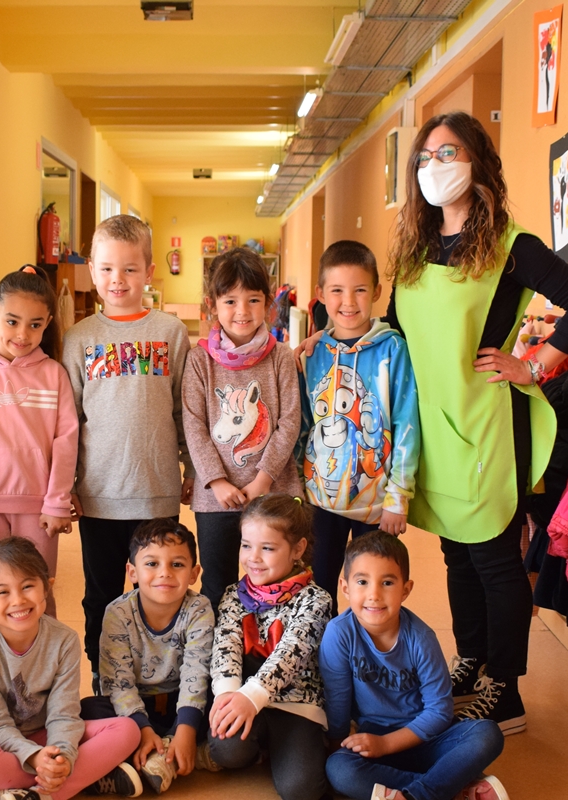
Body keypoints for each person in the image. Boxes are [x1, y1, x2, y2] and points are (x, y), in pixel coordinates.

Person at [383, 111, 568, 732]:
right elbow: (397, 330)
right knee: (456, 553)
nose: (434, 167)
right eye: (425, 157)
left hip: (487, 423)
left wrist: (535, 365)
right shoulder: (415, 248)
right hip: (433, 425)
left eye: (448, 153)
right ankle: (473, 660)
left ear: (477, 160)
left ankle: (505, 691)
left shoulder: (510, 245)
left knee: (495, 558)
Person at [61, 214, 195, 683]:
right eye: (107, 269)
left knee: (159, 593)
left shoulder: (171, 332)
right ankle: (105, 681)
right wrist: (66, 483)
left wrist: (191, 466)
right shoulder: (79, 337)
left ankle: (157, 681)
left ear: (149, 271)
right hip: (99, 494)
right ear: (92, 271)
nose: (117, 279)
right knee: (101, 595)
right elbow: (68, 420)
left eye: (130, 269)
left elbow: (183, 408)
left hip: (156, 492)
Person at [321, 531, 507, 800]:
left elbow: (440, 711)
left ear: (405, 590)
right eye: (362, 582)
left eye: (387, 583)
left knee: (487, 733)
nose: (374, 594)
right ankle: (454, 789)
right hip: (373, 739)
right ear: (345, 587)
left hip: (427, 739)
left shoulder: (421, 638)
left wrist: (387, 744)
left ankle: (416, 795)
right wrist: (338, 749)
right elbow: (337, 700)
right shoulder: (339, 633)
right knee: (339, 769)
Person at [0, 537, 143, 800]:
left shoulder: (63, 640)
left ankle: (37, 793)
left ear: (47, 587)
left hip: (44, 735)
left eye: (27, 586)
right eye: (3, 592)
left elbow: (63, 713)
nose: (18, 600)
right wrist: (34, 757)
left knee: (127, 731)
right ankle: (81, 779)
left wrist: (62, 755)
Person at [0, 266, 78, 629]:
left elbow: (66, 441)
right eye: (12, 322)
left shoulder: (54, 374)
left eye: (35, 325)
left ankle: (41, 664)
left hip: (39, 510)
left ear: (48, 323)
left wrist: (57, 502)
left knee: (38, 595)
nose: (23, 334)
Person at [183, 247, 303, 612]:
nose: (242, 311)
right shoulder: (199, 360)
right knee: (217, 585)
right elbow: (194, 424)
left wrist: (263, 480)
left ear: (268, 303)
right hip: (215, 500)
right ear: (212, 304)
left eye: (253, 300)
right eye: (230, 301)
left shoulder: (281, 356)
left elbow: (289, 422)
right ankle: (222, 648)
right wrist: (217, 481)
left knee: (279, 582)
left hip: (274, 493)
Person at [298, 240, 420, 600]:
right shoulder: (311, 354)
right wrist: (297, 491)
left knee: (372, 593)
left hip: (377, 505)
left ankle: (366, 641)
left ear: (377, 292)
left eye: (360, 290)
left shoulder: (393, 350)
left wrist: (398, 497)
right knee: (318, 590)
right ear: (321, 294)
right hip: (319, 501)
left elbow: (407, 424)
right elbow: (302, 426)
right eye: (337, 290)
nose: (348, 301)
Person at [208, 494, 331, 800]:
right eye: (246, 545)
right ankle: (264, 746)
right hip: (245, 697)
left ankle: (295, 747)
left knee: (300, 790)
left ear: (298, 549)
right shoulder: (235, 594)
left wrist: (252, 697)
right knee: (225, 750)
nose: (253, 558)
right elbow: (225, 644)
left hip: (296, 705)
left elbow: (291, 653)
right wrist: (226, 695)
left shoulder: (316, 600)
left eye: (267, 548)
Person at [81, 519, 216, 794]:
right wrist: (142, 729)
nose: (164, 573)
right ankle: (161, 752)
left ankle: (160, 755)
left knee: (220, 706)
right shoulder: (117, 613)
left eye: (177, 564)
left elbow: (197, 672)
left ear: (194, 573)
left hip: (181, 704)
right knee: (87, 710)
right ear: (132, 572)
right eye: (152, 564)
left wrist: (186, 729)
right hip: (136, 708)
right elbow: (118, 682)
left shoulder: (199, 609)